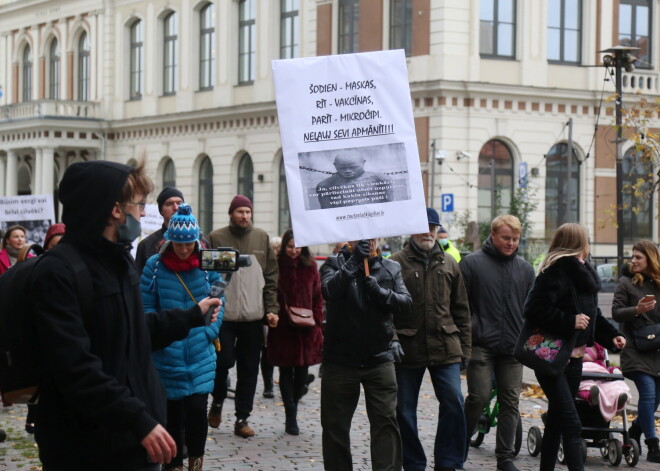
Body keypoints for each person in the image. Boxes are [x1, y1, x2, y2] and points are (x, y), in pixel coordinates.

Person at [30, 160, 221, 471]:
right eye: (139, 204)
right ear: (115, 209)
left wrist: (191, 316)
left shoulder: (118, 263)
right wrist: (138, 419)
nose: (143, 213)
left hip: (135, 443)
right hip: (88, 447)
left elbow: (136, 331)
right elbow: (76, 367)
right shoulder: (58, 271)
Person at [523, 222, 625, 471]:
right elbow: (533, 310)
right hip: (552, 360)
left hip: (575, 359)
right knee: (571, 423)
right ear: (580, 244)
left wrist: (612, 337)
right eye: (587, 240)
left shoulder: (584, 275)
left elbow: (594, 316)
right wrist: (570, 321)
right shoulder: (554, 273)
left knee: (557, 422)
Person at [141, 203, 223, 471]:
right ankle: (173, 464)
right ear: (170, 240)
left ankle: (196, 463)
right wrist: (162, 333)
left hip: (200, 351)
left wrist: (209, 332)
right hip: (167, 353)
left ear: (197, 241)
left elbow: (219, 302)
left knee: (198, 411)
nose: (184, 249)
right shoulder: (154, 266)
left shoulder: (208, 264)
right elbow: (147, 306)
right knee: (171, 415)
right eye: (178, 243)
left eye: (189, 244)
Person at [320, 238, 412, 471]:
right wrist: (352, 263)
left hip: (379, 358)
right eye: (361, 239)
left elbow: (405, 303)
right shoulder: (333, 264)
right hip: (340, 360)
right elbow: (329, 291)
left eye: (372, 238)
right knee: (335, 427)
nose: (368, 242)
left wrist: (380, 292)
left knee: (386, 424)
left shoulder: (391, 268)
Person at [390, 208, 471, 471]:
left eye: (433, 227)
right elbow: (386, 311)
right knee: (403, 411)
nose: (428, 232)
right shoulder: (395, 262)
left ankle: (448, 462)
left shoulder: (450, 263)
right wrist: (391, 339)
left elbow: (461, 310)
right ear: (412, 229)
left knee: (454, 402)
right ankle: (413, 463)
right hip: (407, 347)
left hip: (445, 345)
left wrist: (465, 350)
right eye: (423, 226)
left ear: (438, 230)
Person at [460, 215, 535, 471]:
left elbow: (531, 308)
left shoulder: (525, 269)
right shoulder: (471, 264)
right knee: (478, 397)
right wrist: (469, 332)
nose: (511, 243)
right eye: (506, 238)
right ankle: (459, 445)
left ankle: (505, 458)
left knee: (510, 401)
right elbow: (461, 305)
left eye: (515, 239)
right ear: (493, 235)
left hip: (513, 348)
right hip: (480, 344)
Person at [206, 195, 279, 437]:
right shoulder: (216, 238)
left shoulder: (261, 238)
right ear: (231, 214)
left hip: (253, 318)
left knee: (249, 369)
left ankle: (242, 418)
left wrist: (271, 309)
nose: (244, 216)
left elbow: (271, 278)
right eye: (240, 212)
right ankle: (217, 400)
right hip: (224, 317)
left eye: (248, 212)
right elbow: (206, 276)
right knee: (222, 361)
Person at [268, 229, 323, 435]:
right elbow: (270, 289)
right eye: (290, 246)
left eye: (297, 246)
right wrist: (272, 314)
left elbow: (318, 295)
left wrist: (317, 319)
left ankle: (296, 398)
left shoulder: (310, 266)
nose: (294, 251)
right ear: (284, 246)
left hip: (307, 327)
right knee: (285, 370)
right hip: (283, 326)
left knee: (301, 373)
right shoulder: (277, 265)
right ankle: (291, 416)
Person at [612, 240, 660, 462]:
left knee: (654, 400)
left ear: (650, 259)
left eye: (638, 257)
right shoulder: (625, 282)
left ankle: (634, 432)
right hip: (634, 348)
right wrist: (637, 310)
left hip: (656, 349)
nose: (633, 261)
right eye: (632, 256)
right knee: (648, 392)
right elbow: (616, 312)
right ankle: (653, 444)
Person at [315, 151, 393, 209]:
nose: (347, 171)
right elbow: (327, 212)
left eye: (353, 167)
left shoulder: (381, 180)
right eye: (342, 168)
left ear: (363, 163)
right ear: (335, 165)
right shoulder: (325, 185)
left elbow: (389, 206)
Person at [135, 186, 184, 275]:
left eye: (179, 203)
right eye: (169, 204)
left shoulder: (200, 242)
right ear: (161, 211)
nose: (176, 207)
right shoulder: (146, 245)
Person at [577, 343, 630, 422]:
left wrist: (614, 369)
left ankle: (618, 397)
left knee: (615, 385)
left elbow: (614, 352)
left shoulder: (605, 343)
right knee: (586, 386)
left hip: (601, 374)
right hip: (582, 373)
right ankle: (592, 396)